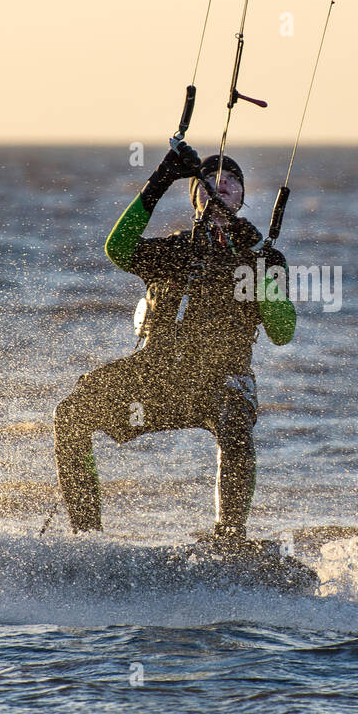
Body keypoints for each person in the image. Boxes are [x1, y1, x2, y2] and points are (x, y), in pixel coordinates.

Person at [54, 142, 296, 544]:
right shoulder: (173, 251)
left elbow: (283, 332)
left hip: (222, 383)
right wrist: (162, 176)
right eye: (208, 185)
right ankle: (88, 539)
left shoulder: (263, 259)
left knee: (235, 423)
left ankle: (230, 539)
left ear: (242, 199)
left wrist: (263, 281)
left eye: (231, 184)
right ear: (195, 198)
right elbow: (118, 249)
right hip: (158, 377)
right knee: (71, 414)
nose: (219, 191)